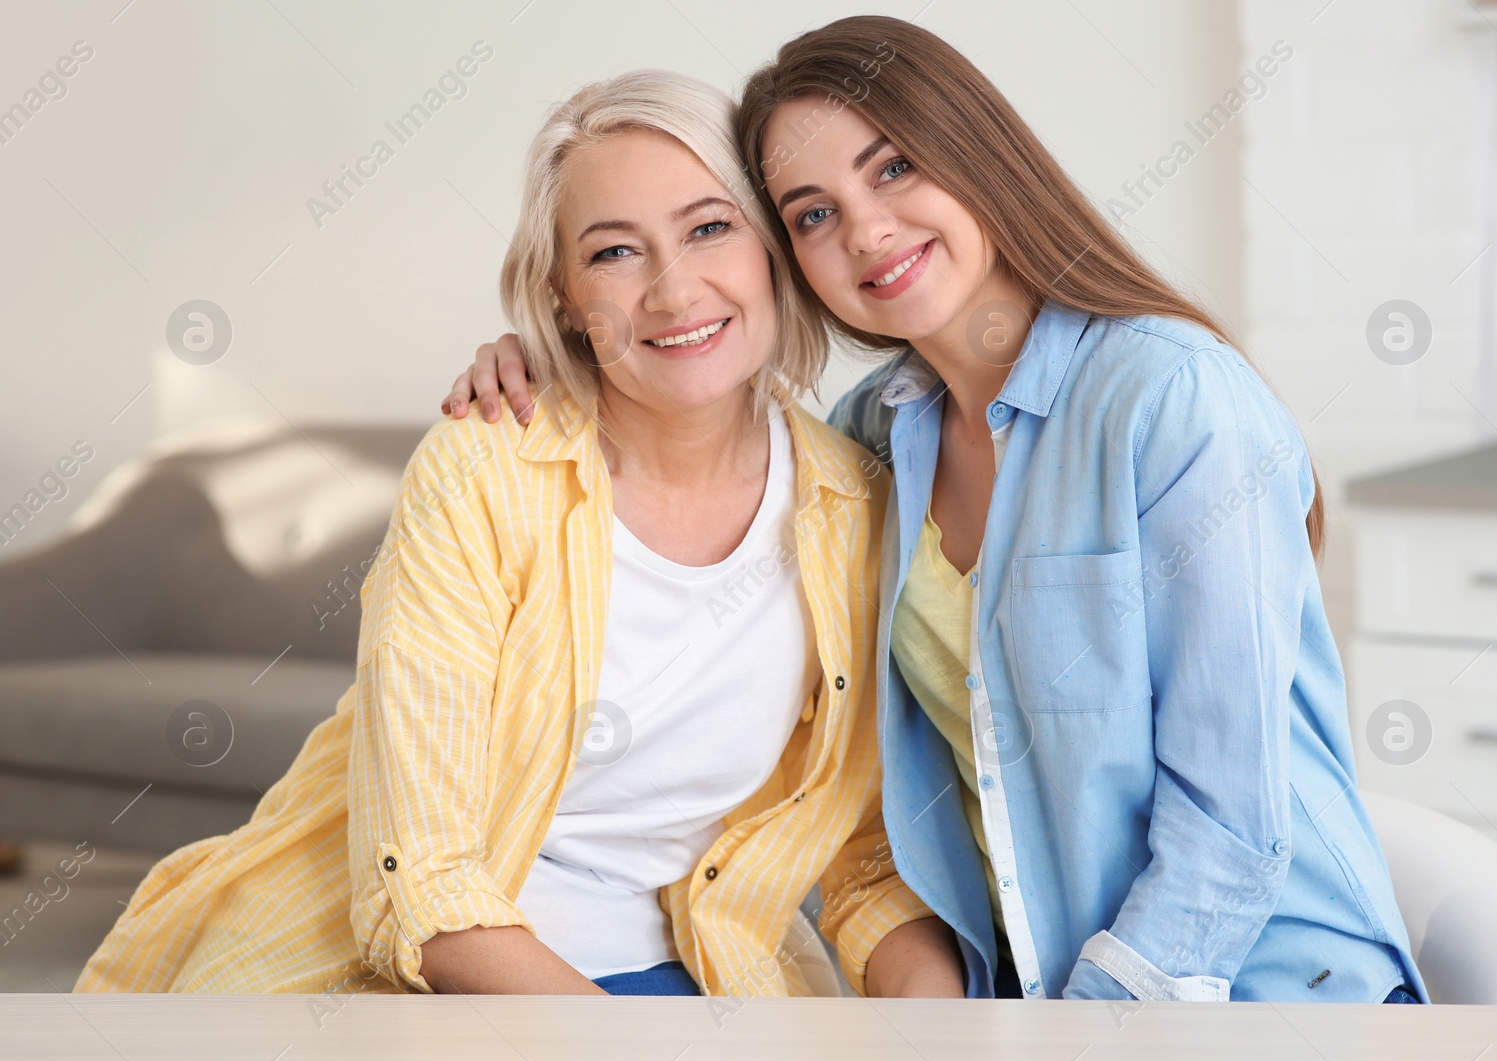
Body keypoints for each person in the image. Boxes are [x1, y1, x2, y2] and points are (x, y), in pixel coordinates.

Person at [444, 17, 1427, 1005]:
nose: (865, 231)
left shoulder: (1170, 400)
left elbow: (1231, 829)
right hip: (1027, 999)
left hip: (1268, 996)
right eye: (811, 212)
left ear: (977, 154)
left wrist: (1078, 1034)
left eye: (894, 168)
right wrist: (552, 362)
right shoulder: (869, 440)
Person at [74, 69, 964, 999]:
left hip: (706, 973)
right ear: (564, 296)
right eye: (615, 253)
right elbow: (422, 884)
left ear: (772, 248)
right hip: (443, 976)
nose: (671, 290)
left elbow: (862, 861)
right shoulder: (482, 471)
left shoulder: (857, 501)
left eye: (710, 227)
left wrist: (938, 1030)